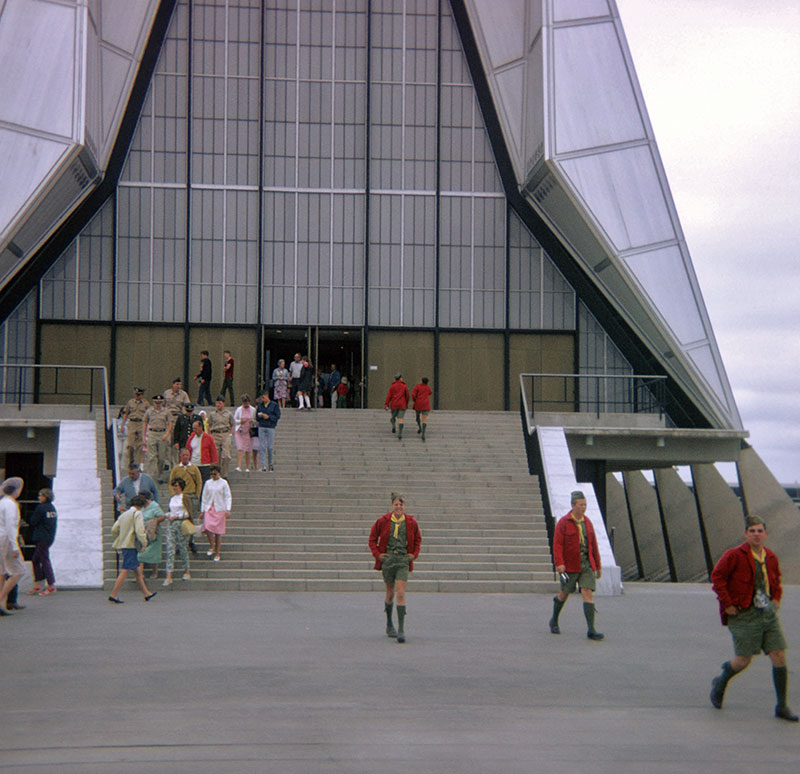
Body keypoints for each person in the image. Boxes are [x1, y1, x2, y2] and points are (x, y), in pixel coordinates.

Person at [709, 516, 798, 722]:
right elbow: (717, 577)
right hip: (743, 614)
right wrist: (727, 603)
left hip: (767, 613)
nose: (756, 534)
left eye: (760, 531)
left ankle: (782, 706)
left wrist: (776, 600)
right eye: (752, 531)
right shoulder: (734, 555)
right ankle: (721, 682)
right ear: (746, 534)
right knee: (743, 660)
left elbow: (776, 581)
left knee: (778, 654)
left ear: (765, 534)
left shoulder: (771, 557)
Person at [548, 490, 604, 640]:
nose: (583, 507)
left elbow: (593, 545)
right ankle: (554, 619)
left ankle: (591, 629)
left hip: (586, 564)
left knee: (587, 592)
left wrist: (597, 566)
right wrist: (559, 563)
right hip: (570, 565)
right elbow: (557, 544)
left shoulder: (588, 523)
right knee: (564, 593)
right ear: (573, 505)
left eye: (585, 504)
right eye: (581, 505)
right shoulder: (564, 523)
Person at [368, 493, 422, 644]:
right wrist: (378, 554)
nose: (399, 507)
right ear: (392, 506)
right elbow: (372, 538)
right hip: (388, 560)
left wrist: (414, 554)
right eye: (396, 504)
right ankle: (389, 623)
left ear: (404, 506)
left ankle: (401, 629)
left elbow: (418, 539)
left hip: (403, 560)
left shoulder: (411, 522)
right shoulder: (383, 521)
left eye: (401, 505)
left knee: (400, 593)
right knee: (390, 593)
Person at [108, 494, 157, 604]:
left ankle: (146, 593)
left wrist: (119, 538)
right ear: (142, 505)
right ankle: (113, 594)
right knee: (125, 569)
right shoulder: (137, 513)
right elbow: (140, 530)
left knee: (137, 571)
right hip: (131, 544)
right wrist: (144, 542)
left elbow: (114, 529)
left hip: (124, 544)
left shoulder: (124, 515)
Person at [0, 477, 26, 616]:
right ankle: (1, 599)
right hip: (6, 539)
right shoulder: (11, 504)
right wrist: (15, 546)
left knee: (2, 572)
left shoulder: (2, 502)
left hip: (0, 537)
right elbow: (11, 526)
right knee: (19, 571)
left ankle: (2, 605)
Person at [27, 487, 58, 596]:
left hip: (41, 537)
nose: (39, 497)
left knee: (44, 559)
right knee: (35, 559)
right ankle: (38, 584)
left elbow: (33, 521)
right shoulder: (52, 508)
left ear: (45, 496)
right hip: (49, 537)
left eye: (40, 495)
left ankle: (51, 585)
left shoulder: (40, 508)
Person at [162, 479, 192, 586]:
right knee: (170, 548)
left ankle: (187, 571)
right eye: (173, 486)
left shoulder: (185, 498)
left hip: (181, 524)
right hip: (171, 524)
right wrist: (168, 515)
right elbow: (169, 511)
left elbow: (188, 513)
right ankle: (169, 575)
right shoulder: (172, 499)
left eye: (176, 486)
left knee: (183, 548)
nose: (174, 488)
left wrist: (177, 516)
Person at [200, 465, 232, 562]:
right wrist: (202, 510)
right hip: (209, 508)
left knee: (218, 532)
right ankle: (211, 545)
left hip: (219, 509)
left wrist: (227, 509)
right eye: (212, 474)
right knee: (207, 527)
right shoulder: (208, 483)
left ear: (219, 473)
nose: (213, 476)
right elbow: (204, 497)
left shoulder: (224, 483)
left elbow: (227, 496)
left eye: (215, 474)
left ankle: (217, 553)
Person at [143, 393, 174, 483]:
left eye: (160, 402)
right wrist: (144, 435)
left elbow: (170, 424)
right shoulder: (149, 411)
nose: (158, 404)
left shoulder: (166, 411)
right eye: (156, 402)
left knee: (161, 457)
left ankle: (160, 475)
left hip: (162, 434)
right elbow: (145, 422)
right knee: (152, 457)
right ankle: (151, 476)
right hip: (152, 433)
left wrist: (167, 434)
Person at [137, 493, 165, 579]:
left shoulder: (154, 506)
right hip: (144, 532)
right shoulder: (141, 507)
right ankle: (140, 575)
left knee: (154, 552)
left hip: (154, 532)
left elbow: (162, 516)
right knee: (141, 553)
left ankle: (154, 572)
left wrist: (152, 521)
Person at [120, 387, 150, 467]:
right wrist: (122, 425)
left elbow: (149, 415)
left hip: (141, 423)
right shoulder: (130, 402)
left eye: (139, 395)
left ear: (142, 395)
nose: (137, 396)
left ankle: (137, 463)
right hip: (132, 422)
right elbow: (126, 414)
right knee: (130, 444)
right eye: (136, 394)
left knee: (140, 445)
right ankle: (131, 460)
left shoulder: (146, 403)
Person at [207, 396, 234, 477]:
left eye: (220, 403)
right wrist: (209, 435)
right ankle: (215, 474)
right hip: (215, 434)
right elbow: (209, 424)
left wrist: (230, 434)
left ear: (223, 404)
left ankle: (224, 475)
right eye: (217, 403)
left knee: (226, 456)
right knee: (215, 456)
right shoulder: (212, 414)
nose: (218, 405)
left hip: (225, 434)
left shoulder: (228, 414)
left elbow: (232, 424)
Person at [255, 390, 281, 471]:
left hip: (270, 427)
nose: (263, 399)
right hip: (262, 426)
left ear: (267, 396)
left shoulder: (274, 405)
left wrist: (269, 417)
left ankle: (270, 463)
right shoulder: (260, 406)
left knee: (270, 447)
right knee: (262, 447)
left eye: (264, 397)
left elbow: (277, 416)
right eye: (262, 398)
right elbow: (257, 417)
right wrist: (260, 415)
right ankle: (263, 465)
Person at [233, 394, 256, 472]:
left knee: (248, 449)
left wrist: (251, 421)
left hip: (248, 432)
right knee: (240, 448)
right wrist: (240, 421)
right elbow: (234, 420)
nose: (246, 404)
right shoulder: (239, 410)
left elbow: (255, 419)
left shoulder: (252, 410)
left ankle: (247, 467)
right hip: (240, 431)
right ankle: (239, 466)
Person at [384, 373, 410, 439]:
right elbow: (407, 396)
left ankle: (393, 425)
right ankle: (400, 433)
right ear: (400, 378)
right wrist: (406, 403)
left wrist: (386, 404)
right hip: (402, 404)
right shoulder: (404, 386)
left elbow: (389, 396)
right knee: (400, 419)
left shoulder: (392, 386)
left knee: (393, 417)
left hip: (394, 404)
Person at [411, 377, 432, 441]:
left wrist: (415, 400)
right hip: (425, 404)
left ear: (421, 381)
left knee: (417, 417)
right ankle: (423, 434)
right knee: (424, 419)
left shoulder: (417, 387)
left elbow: (413, 394)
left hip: (418, 404)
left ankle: (420, 427)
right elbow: (430, 393)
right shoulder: (427, 388)